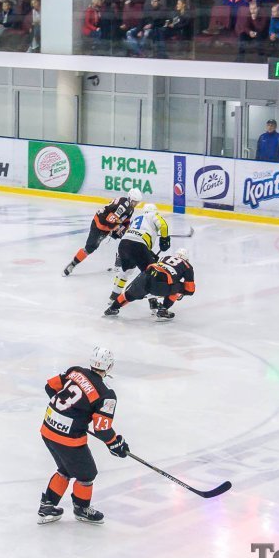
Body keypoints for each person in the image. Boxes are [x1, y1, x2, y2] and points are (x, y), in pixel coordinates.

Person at [37, 346, 128, 525]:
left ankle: (47, 506)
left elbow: (50, 387)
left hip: (48, 428)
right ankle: (81, 509)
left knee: (66, 468)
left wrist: (68, 413)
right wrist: (115, 444)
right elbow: (102, 429)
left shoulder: (75, 372)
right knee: (87, 474)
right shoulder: (106, 394)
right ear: (109, 366)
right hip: (68, 439)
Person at [63, 189, 142, 276]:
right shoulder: (122, 206)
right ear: (130, 199)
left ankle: (119, 260)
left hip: (108, 225)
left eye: (137, 202)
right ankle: (72, 264)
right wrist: (115, 229)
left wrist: (125, 229)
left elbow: (125, 221)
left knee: (127, 237)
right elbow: (109, 221)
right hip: (99, 225)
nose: (135, 204)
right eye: (134, 202)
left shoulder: (130, 208)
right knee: (89, 248)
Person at [104, 249, 195, 319]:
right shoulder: (187, 266)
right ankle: (163, 310)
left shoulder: (165, 257)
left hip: (145, 276)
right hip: (160, 285)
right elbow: (190, 290)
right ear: (186, 259)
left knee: (129, 295)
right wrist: (179, 292)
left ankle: (112, 308)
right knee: (180, 287)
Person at [109, 203, 170, 305]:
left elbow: (132, 237)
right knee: (151, 273)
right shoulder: (153, 215)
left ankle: (114, 296)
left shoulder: (137, 218)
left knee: (125, 271)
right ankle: (153, 302)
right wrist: (165, 239)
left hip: (124, 244)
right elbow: (163, 225)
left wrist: (149, 252)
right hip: (139, 245)